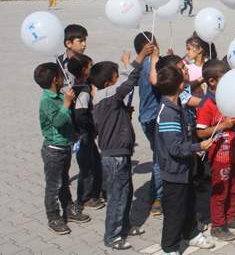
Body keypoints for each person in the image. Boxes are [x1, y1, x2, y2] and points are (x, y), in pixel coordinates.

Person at [90, 43, 154, 250]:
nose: (120, 79)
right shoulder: (107, 96)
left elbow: (124, 83)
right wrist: (141, 56)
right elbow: (129, 82)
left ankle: (125, 226)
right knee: (117, 197)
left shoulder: (107, 97)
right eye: (117, 76)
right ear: (109, 82)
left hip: (121, 154)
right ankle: (112, 236)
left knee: (126, 193)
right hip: (114, 157)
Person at [155, 65, 215, 253]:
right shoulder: (168, 113)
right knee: (175, 211)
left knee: (189, 204)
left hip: (185, 168)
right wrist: (198, 147)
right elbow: (175, 148)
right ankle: (170, 247)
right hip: (174, 172)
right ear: (181, 85)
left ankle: (191, 234)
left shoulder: (176, 104)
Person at [196, 59, 235, 240]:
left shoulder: (229, 96)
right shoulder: (207, 104)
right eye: (224, 79)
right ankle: (218, 225)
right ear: (212, 82)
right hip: (220, 156)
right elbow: (200, 132)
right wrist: (223, 126)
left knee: (234, 186)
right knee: (221, 190)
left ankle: (231, 216)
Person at [34, 63, 91, 235]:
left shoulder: (58, 95)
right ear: (55, 80)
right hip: (53, 150)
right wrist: (66, 104)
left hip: (64, 147)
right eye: (60, 75)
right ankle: (53, 217)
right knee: (54, 185)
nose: (62, 78)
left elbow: (67, 121)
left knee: (64, 181)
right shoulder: (46, 101)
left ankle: (68, 210)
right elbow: (58, 122)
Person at [67, 54, 105, 210]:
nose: (92, 67)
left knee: (95, 162)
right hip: (84, 135)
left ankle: (96, 192)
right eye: (90, 66)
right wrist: (91, 127)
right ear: (84, 70)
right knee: (87, 167)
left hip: (87, 134)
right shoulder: (83, 90)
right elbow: (80, 114)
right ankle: (84, 198)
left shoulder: (83, 84)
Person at [134, 32, 164, 216]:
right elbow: (158, 82)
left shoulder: (140, 66)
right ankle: (158, 198)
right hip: (155, 119)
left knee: (157, 157)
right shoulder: (151, 66)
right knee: (160, 160)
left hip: (145, 118)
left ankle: (154, 193)